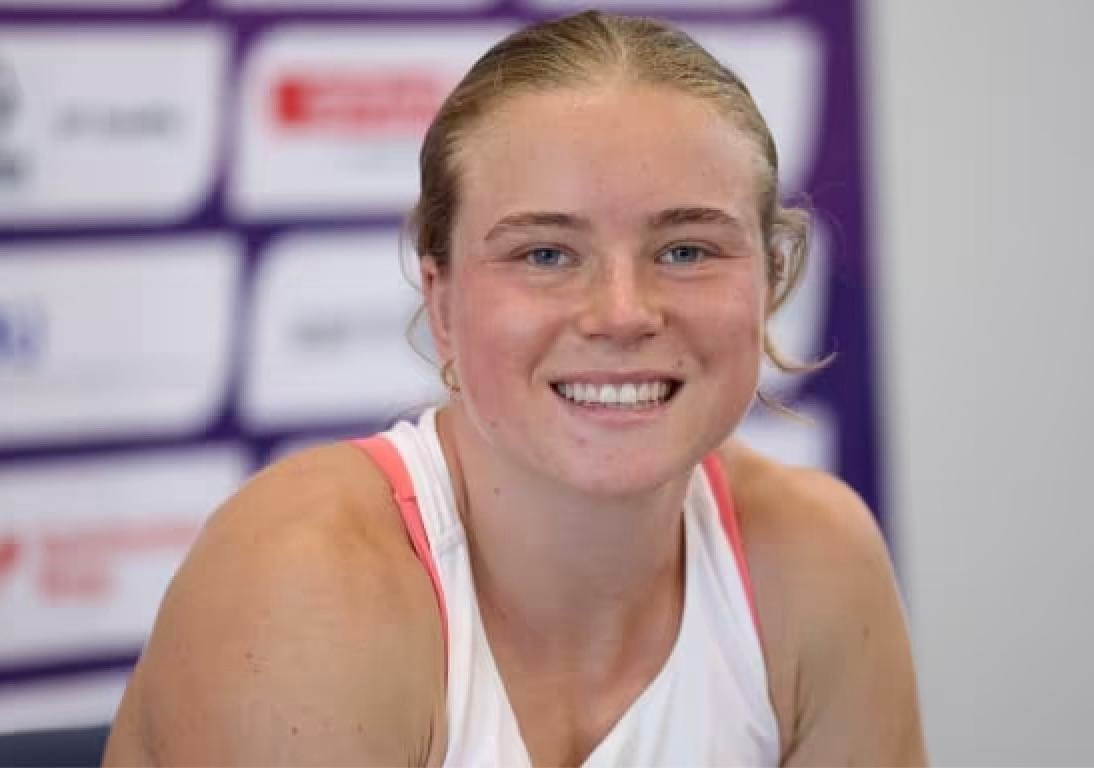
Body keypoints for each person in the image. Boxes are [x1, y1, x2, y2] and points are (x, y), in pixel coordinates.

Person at [103, 11, 925, 767]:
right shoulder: (307, 580)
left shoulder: (815, 559)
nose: (622, 313)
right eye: (545, 255)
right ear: (442, 302)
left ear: (771, 283)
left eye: (686, 250)